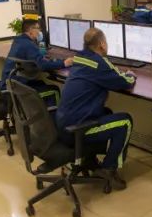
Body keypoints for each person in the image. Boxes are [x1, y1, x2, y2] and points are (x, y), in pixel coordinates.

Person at [56, 28, 136, 189]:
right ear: (101, 44)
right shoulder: (99, 63)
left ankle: (89, 160)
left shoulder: (79, 58)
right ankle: (109, 169)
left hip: (63, 124)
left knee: (107, 112)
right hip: (76, 129)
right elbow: (125, 82)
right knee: (125, 122)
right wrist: (130, 75)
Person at [0, 19, 73, 107]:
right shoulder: (28, 45)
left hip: (10, 85)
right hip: (16, 88)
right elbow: (43, 65)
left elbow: (37, 60)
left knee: (41, 83)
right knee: (54, 89)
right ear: (31, 30)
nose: (39, 32)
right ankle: (53, 115)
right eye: (38, 28)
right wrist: (64, 63)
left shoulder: (18, 41)